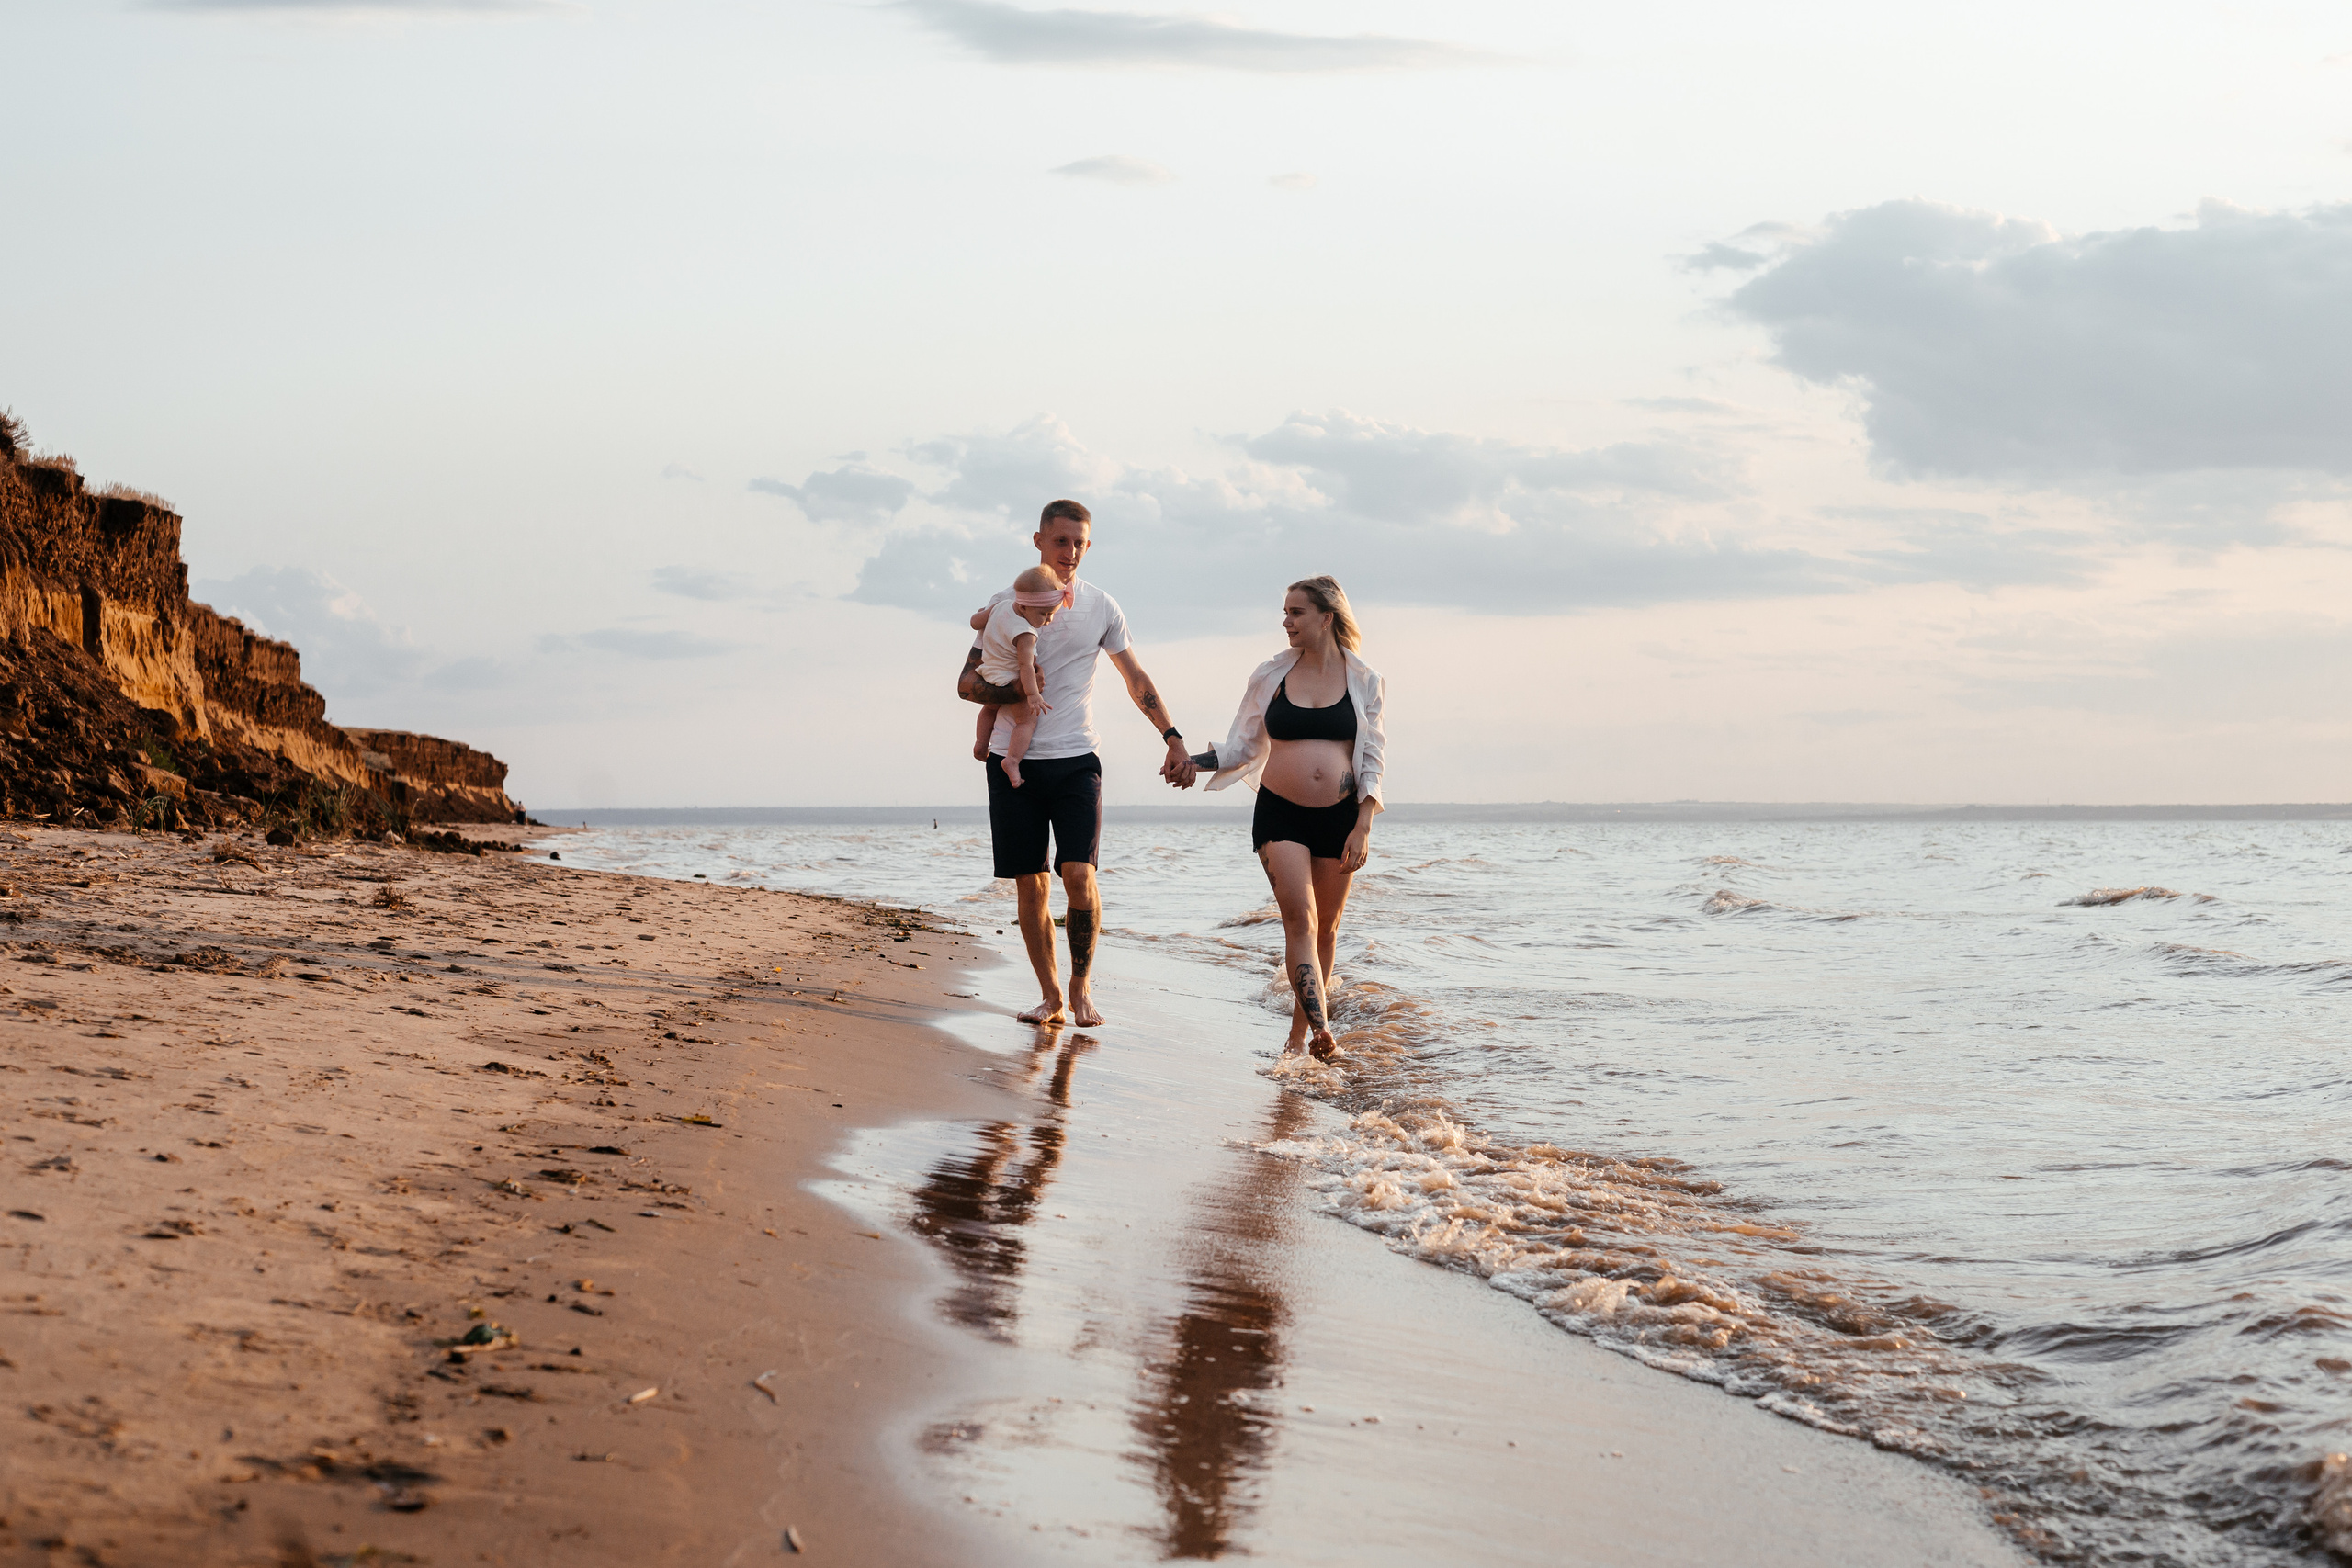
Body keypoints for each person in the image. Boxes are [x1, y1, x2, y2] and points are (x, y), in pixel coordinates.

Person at [957, 499, 1199, 1028]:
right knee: (1030, 882)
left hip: (1076, 759)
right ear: (1039, 541)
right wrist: (1019, 691)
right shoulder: (1008, 603)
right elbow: (967, 684)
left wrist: (1172, 737)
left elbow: (1135, 679)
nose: (1070, 552)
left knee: (1078, 875)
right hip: (1011, 760)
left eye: (1080, 543)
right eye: (1061, 540)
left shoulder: (1101, 606)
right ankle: (1050, 997)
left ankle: (1080, 987)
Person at [1190, 577, 1385, 1059]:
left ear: (1327, 617)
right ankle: (1322, 1029)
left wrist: (1363, 825)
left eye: (1296, 612)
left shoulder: (1365, 680)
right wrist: (1194, 763)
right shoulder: (1270, 675)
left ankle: (1297, 1040)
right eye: (1285, 612)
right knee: (1301, 920)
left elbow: (1373, 760)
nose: (1286, 622)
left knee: (1327, 929)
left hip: (1340, 818)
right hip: (1280, 814)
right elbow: (1242, 746)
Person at [968, 564, 1065, 788]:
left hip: (988, 673)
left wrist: (982, 613)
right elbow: (1025, 666)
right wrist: (1032, 695)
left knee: (989, 709)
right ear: (1023, 606)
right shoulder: (1026, 634)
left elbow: (975, 622)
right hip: (1009, 679)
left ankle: (981, 744)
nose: (1048, 620)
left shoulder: (1000, 606)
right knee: (1026, 721)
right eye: (1044, 614)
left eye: (1051, 613)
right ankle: (1012, 760)